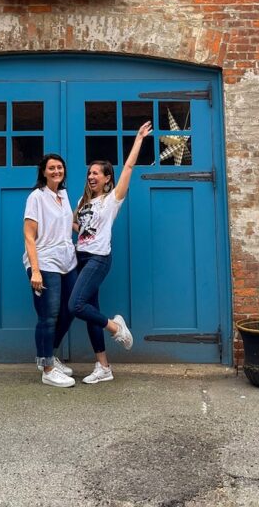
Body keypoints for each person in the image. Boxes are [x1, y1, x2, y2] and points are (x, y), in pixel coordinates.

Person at [69, 120, 152, 384]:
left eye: (96, 173)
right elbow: (76, 226)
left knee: (76, 305)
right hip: (80, 258)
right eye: (89, 173)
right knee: (90, 310)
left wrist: (138, 139)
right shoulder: (83, 201)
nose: (91, 176)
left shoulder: (112, 199)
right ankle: (103, 367)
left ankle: (116, 327)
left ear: (107, 178)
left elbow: (128, 168)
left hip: (98, 258)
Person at [23, 152, 78, 388]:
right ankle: (47, 369)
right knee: (48, 317)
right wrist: (35, 271)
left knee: (71, 309)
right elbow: (29, 235)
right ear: (43, 172)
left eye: (60, 167)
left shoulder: (63, 195)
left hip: (68, 261)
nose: (56, 171)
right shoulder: (37, 197)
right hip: (45, 263)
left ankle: (49, 356)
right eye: (52, 168)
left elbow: (69, 224)